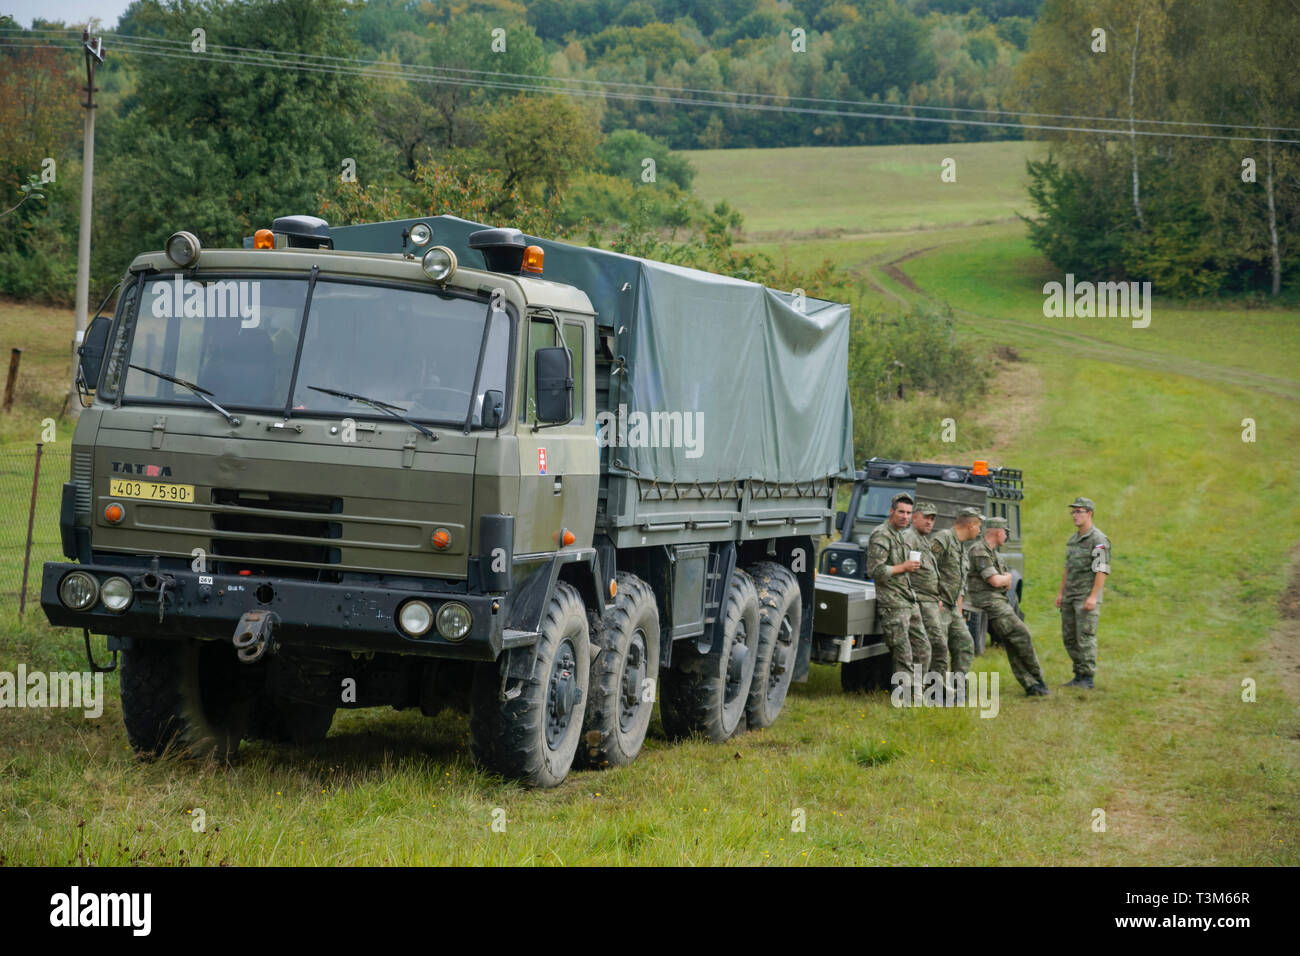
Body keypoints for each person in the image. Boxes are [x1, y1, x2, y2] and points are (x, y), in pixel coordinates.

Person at [968, 516, 1050, 696]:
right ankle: (1038, 677)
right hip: (990, 602)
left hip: (998, 600)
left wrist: (1005, 580)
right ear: (998, 532)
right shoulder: (979, 550)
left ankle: (1031, 685)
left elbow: (1005, 582)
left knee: (1013, 642)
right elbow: (996, 580)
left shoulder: (994, 553)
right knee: (1022, 634)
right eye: (1005, 532)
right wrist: (1006, 579)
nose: (1006, 536)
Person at [865, 492, 928, 702]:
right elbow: (875, 571)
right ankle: (903, 699)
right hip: (892, 602)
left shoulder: (902, 534)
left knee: (923, 648)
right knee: (904, 654)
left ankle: (917, 692)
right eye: (901, 511)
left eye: (909, 513)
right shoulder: (881, 535)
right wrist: (903, 567)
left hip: (908, 598)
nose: (905, 516)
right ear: (891, 511)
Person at [1055, 496, 1110, 689]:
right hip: (1070, 595)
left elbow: (1101, 569)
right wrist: (1061, 593)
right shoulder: (1074, 540)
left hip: (1085, 596)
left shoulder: (1098, 539)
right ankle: (1078, 674)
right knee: (1069, 636)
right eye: (1073, 512)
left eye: (1079, 511)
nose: (1074, 515)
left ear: (1090, 514)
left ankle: (1087, 677)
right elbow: (1067, 568)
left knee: (1084, 637)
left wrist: (1093, 597)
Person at [930, 507, 982, 686]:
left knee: (965, 644)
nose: (979, 531)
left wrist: (959, 609)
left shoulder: (961, 547)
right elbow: (925, 568)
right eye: (978, 526)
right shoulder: (943, 539)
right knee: (939, 650)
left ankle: (957, 686)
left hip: (952, 608)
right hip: (939, 605)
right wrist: (933, 597)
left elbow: (958, 581)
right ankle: (936, 690)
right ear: (970, 525)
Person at [905, 502, 947, 680]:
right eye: (926, 518)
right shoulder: (910, 537)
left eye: (932, 519)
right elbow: (903, 568)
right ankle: (931, 688)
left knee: (935, 644)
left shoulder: (923, 539)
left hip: (930, 599)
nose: (930, 522)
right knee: (935, 645)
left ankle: (934, 686)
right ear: (915, 517)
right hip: (920, 599)